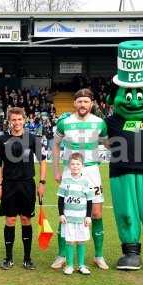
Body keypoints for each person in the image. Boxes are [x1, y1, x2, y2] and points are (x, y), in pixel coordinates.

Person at [52, 88, 109, 270]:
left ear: (91, 103)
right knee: (66, 214)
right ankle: (61, 256)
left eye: (86, 101)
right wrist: (56, 170)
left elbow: (108, 144)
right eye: (79, 101)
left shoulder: (100, 123)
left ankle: (98, 256)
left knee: (97, 214)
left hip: (92, 172)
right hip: (70, 171)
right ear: (74, 103)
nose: (82, 105)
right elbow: (55, 145)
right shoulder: (64, 122)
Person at [0, 107, 46, 270]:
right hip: (8, 184)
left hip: (27, 184)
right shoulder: (2, 140)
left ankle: (27, 258)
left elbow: (43, 160)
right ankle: (8, 258)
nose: (16, 122)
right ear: (9, 121)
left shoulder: (33, 139)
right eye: (13, 120)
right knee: (10, 220)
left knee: (25, 219)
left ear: (25, 120)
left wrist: (42, 182)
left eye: (19, 119)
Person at [58, 153, 94, 275]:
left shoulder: (86, 182)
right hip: (68, 218)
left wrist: (88, 216)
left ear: (82, 165)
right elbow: (61, 199)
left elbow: (89, 200)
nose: (75, 166)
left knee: (81, 241)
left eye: (78, 164)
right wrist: (61, 214)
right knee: (69, 241)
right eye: (73, 164)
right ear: (69, 166)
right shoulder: (65, 180)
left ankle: (81, 265)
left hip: (81, 218)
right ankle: (69, 266)